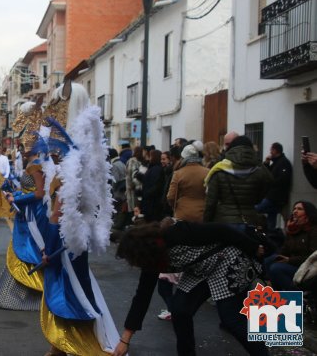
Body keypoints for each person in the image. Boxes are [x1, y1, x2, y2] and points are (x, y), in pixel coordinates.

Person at [38, 82, 119, 356]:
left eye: (62, 102)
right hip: (72, 238)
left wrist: (50, 248)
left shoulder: (72, 162)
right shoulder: (81, 157)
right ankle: (60, 347)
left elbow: (60, 210)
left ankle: (70, 346)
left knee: (69, 293)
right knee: (74, 290)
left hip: (66, 239)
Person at [114, 220, 269, 356]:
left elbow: (221, 230)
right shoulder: (151, 261)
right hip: (200, 270)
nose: (133, 264)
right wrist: (124, 340)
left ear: (142, 252)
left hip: (226, 259)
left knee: (231, 318)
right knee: (179, 309)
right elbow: (142, 296)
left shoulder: (176, 233)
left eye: (132, 259)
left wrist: (253, 247)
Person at [0, 105, 48, 310]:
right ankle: (25, 288)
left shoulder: (35, 165)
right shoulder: (32, 164)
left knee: (30, 248)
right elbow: (30, 190)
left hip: (33, 214)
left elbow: (39, 193)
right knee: (26, 247)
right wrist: (16, 195)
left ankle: (36, 288)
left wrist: (16, 200)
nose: (21, 149)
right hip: (27, 213)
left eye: (25, 145)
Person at [203, 136, 272, 225]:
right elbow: (269, 182)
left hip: (224, 221)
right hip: (250, 220)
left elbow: (210, 203)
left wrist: (207, 222)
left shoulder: (219, 169)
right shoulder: (259, 171)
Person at [264, 201, 317, 291]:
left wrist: (289, 260)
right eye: (294, 209)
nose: (295, 211)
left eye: (299, 209)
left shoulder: (314, 231)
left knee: (276, 268)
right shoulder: (293, 230)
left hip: (309, 269)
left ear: (308, 213)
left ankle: (298, 295)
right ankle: (277, 294)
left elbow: (313, 257)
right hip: (295, 264)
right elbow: (284, 250)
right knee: (269, 260)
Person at [255, 142, 292, 232]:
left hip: (275, 196)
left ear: (275, 150)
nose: (270, 152)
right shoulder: (275, 162)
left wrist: (269, 183)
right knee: (271, 217)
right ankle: (271, 237)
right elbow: (267, 173)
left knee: (256, 209)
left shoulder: (283, 163)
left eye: (271, 150)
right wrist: (267, 163)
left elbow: (282, 180)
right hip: (272, 195)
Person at [167, 144, 209, 223]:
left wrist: (175, 207)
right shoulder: (207, 172)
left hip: (182, 213)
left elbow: (170, 197)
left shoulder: (178, 173)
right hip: (202, 214)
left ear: (183, 158)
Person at [138, 149, 164, 222]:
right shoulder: (153, 168)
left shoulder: (156, 169)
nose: (149, 158)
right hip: (150, 201)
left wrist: (145, 194)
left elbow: (154, 185)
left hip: (152, 202)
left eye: (150, 156)